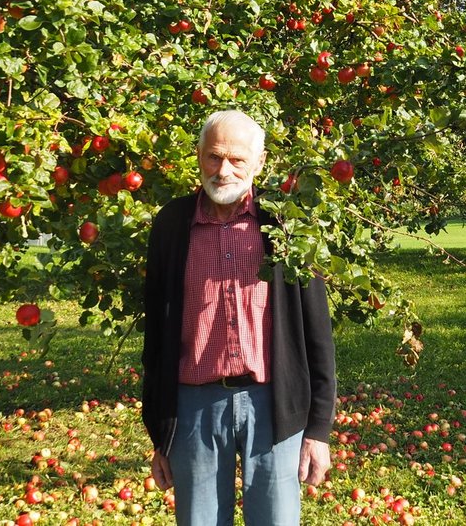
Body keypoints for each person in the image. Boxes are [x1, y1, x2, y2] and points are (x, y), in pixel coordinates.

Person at [141, 109, 336, 526]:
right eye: (214, 157)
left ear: (259, 162)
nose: (223, 170)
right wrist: (160, 432)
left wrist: (318, 430)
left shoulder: (287, 224)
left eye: (237, 159)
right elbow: (156, 334)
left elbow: (318, 334)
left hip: (273, 404)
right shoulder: (171, 225)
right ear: (199, 156)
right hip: (193, 406)